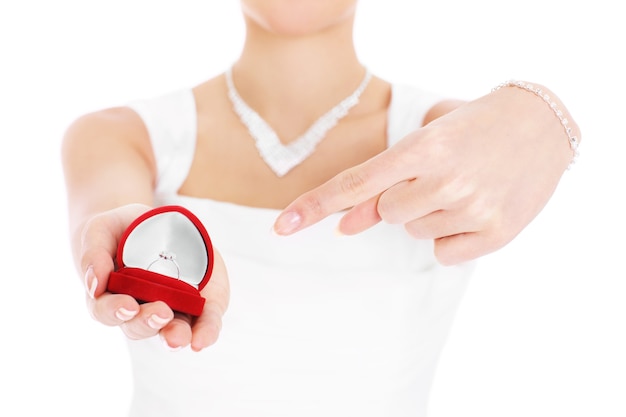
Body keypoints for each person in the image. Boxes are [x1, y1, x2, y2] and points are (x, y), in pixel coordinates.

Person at [61, 1, 580, 416]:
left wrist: (547, 116)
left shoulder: (448, 141)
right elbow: (110, 212)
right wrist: (117, 244)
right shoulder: (118, 135)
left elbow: (522, 149)